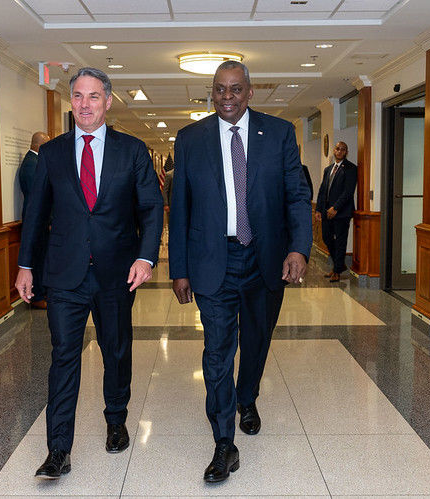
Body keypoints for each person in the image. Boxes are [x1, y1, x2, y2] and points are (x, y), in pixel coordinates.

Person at [16, 67, 163, 479]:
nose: (84, 104)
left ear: (108, 101)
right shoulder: (52, 154)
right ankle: (58, 449)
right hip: (65, 275)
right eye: (78, 96)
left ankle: (116, 419)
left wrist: (145, 257)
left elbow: (151, 208)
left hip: (117, 272)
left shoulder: (132, 151)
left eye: (93, 96)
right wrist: (26, 265)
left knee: (116, 351)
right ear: (71, 101)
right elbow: (35, 215)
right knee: (63, 358)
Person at [168, 61, 312, 483]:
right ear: (210, 94)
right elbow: (180, 210)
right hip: (213, 260)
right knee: (216, 351)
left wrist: (299, 248)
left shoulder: (280, 134)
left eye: (235, 90)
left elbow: (296, 198)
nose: (226, 98)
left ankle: (246, 396)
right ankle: (224, 442)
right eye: (219, 90)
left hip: (265, 259)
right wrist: (179, 269)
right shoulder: (191, 139)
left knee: (256, 340)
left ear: (250, 93)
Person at [17, 131, 51, 309]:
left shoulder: (35, 161)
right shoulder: (32, 164)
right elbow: (37, 199)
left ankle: (42, 292)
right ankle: (37, 296)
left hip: (42, 221)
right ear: (40, 146)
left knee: (42, 257)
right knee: (37, 259)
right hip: (37, 222)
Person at [314, 141, 357, 282]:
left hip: (342, 213)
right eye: (337, 149)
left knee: (340, 241)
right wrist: (319, 209)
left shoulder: (350, 168)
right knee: (326, 238)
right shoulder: (328, 169)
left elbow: (348, 191)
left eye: (342, 149)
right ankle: (339, 265)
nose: (339, 151)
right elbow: (322, 191)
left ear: (346, 152)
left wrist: (335, 208)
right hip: (326, 212)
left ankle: (337, 271)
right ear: (334, 150)